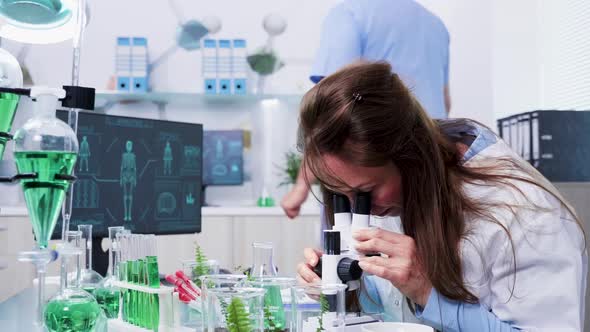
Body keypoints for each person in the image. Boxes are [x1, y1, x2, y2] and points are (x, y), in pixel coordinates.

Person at [295, 62, 587, 330]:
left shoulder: (526, 215)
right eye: (341, 195)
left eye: (365, 193)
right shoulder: (400, 193)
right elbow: (392, 309)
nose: (365, 212)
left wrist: (426, 292)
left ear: (410, 155)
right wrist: (339, 283)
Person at [282, 0, 451, 218]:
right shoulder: (435, 24)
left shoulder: (349, 14)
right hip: (430, 170)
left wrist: (300, 187)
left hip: (368, 170)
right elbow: (445, 101)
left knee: (349, 247)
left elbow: (330, 119)